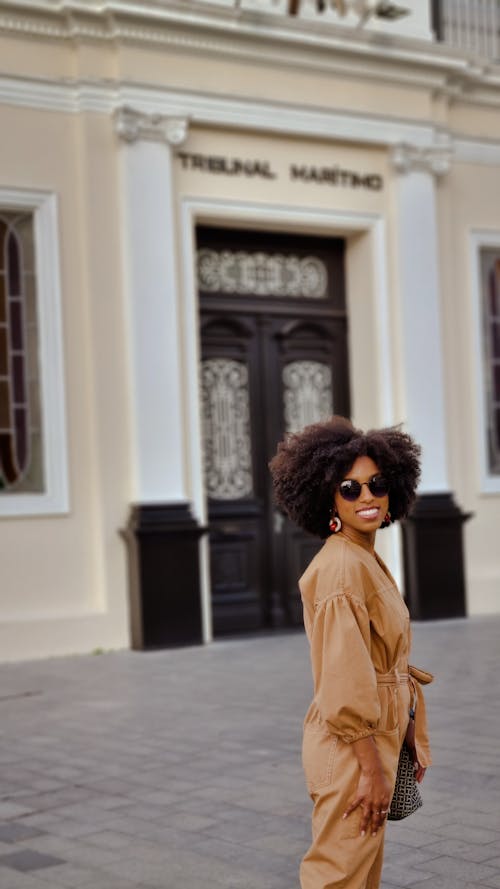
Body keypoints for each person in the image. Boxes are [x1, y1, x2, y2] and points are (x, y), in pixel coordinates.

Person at [269, 415, 433, 889]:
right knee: (338, 876)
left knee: (360, 874)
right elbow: (343, 681)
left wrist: (404, 733)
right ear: (328, 499)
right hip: (352, 750)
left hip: (373, 738)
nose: (367, 497)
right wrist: (370, 769)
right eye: (350, 488)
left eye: (377, 484)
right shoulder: (341, 567)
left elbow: (384, 663)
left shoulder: (362, 555)